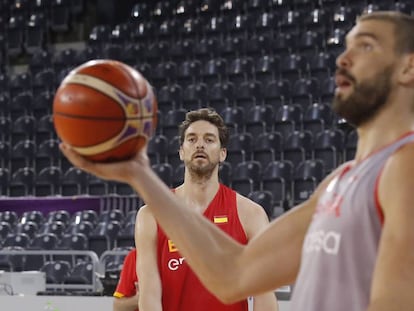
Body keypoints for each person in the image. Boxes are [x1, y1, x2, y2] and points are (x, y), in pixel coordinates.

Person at [60, 11, 414, 311]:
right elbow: (234, 275)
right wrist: (139, 174)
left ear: (408, 67)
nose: (343, 59)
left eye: (365, 45)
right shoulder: (340, 183)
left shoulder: (406, 166)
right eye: (346, 46)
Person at [134, 109, 278, 311]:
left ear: (222, 153)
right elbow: (149, 296)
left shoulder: (250, 215)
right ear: (182, 151)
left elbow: (265, 296)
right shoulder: (151, 215)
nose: (200, 144)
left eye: (209, 139)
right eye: (192, 139)